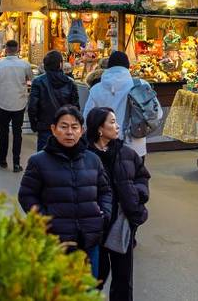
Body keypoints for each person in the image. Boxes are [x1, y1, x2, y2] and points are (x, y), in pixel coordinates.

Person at [18, 106, 113, 274]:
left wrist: (104, 215)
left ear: (82, 131)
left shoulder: (93, 160)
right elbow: (26, 195)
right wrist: (44, 221)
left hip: (89, 240)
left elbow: (105, 191)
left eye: (74, 127)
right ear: (53, 129)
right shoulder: (38, 161)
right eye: (64, 126)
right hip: (55, 241)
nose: (69, 132)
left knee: (89, 286)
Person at [86, 107, 150, 300]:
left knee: (123, 278)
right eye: (112, 122)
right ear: (99, 128)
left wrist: (137, 196)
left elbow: (142, 177)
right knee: (95, 277)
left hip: (122, 223)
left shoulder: (126, 153)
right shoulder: (85, 155)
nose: (117, 126)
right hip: (95, 225)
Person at [83, 51, 146, 159]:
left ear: (109, 66)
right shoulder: (141, 85)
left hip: (105, 145)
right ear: (128, 66)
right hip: (135, 146)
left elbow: (87, 119)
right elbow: (156, 114)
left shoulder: (96, 89)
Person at [0, 40, 33, 172]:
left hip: (2, 102)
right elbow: (31, 79)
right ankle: (16, 163)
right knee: (17, 133)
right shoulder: (25, 65)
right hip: (19, 103)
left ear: (6, 49)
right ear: (17, 49)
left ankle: (2, 159)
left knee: (3, 132)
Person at [29, 50, 80, 151]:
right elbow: (75, 108)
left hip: (45, 126)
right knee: (64, 156)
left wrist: (35, 125)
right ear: (60, 64)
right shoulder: (69, 82)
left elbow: (32, 106)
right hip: (65, 127)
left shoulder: (38, 82)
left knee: (44, 156)